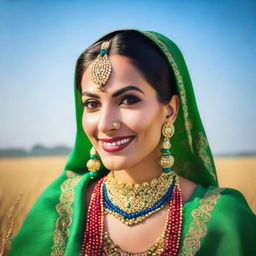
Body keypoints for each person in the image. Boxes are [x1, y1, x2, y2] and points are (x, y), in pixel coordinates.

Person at [8, 29, 256, 256]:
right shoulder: (56, 209)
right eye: (92, 104)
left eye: (128, 100)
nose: (105, 124)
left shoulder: (224, 219)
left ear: (170, 110)